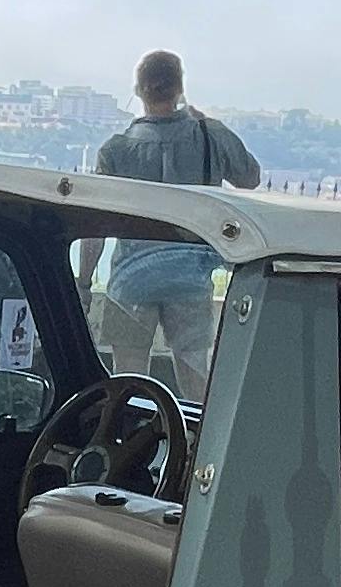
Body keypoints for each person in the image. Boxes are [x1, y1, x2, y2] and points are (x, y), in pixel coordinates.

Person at [76, 50, 260, 395]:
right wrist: (209, 124)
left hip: (129, 282)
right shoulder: (209, 135)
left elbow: (95, 228)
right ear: (179, 88)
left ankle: (129, 440)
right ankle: (196, 444)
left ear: (139, 90)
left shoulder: (115, 150)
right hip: (191, 279)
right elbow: (250, 178)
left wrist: (84, 283)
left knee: (126, 383)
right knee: (195, 380)